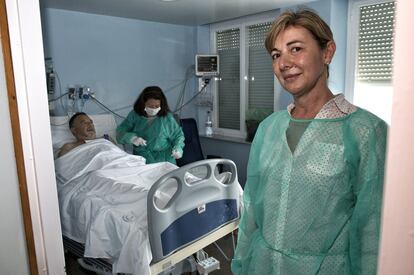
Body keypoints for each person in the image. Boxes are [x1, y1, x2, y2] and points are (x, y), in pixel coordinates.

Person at [231, 9, 387, 275]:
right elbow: (252, 213)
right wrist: (242, 264)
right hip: (262, 266)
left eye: (296, 49)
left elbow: (372, 230)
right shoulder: (269, 129)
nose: (283, 63)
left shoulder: (365, 132)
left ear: (327, 52)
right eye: (276, 55)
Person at [116, 86, 185, 164]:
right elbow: (120, 133)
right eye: (150, 106)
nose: (153, 108)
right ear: (143, 103)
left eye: (157, 106)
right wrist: (132, 138)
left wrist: (178, 149)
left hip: (165, 159)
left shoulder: (166, 118)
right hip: (142, 158)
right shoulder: (135, 115)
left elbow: (178, 135)